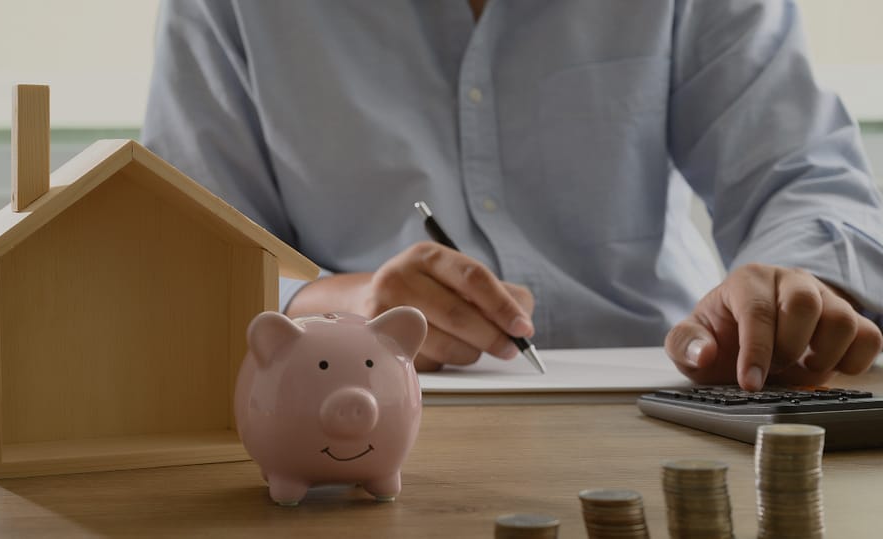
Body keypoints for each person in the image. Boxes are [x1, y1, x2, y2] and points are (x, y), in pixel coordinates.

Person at [141, 0, 883, 390]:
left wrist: (792, 287)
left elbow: (807, 176)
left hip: (678, 397)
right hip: (358, 418)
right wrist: (346, 304)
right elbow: (189, 262)